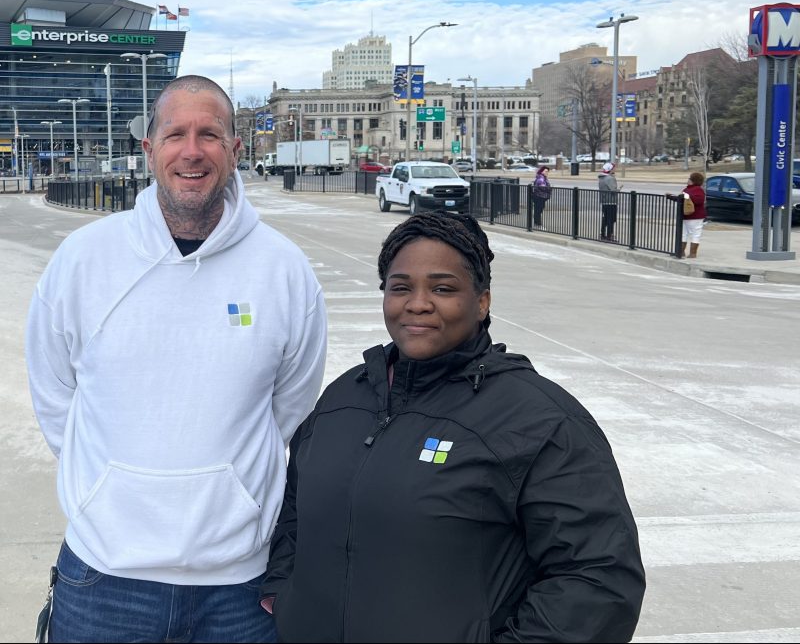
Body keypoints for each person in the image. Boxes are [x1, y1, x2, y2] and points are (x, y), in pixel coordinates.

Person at [25, 74, 329, 643]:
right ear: (150, 150)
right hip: (103, 577)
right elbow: (54, 395)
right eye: (175, 134)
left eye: (210, 134)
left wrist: (230, 489)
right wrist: (107, 488)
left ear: (236, 150)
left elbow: (290, 406)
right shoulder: (83, 261)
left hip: (239, 587)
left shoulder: (284, 271)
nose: (192, 151)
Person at [263, 211, 645, 643]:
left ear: (482, 301)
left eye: (443, 288)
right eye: (400, 287)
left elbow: (598, 579)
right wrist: (283, 593)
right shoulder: (344, 399)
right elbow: (295, 508)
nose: (418, 303)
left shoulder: (539, 419)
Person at [666, 171, 707, 258]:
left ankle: (692, 253)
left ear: (693, 180)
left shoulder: (697, 190)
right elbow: (682, 200)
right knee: (686, 234)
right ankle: (682, 252)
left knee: (694, 234)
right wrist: (671, 197)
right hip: (687, 216)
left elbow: (698, 201)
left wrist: (687, 197)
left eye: (689, 178)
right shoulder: (688, 189)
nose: (688, 180)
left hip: (694, 216)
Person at [598, 161, 621, 242]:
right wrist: (619, 189)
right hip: (611, 201)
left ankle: (603, 234)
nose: (615, 169)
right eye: (614, 167)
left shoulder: (601, 178)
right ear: (610, 169)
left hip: (604, 201)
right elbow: (613, 190)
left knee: (605, 218)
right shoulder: (610, 178)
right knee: (611, 219)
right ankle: (609, 235)